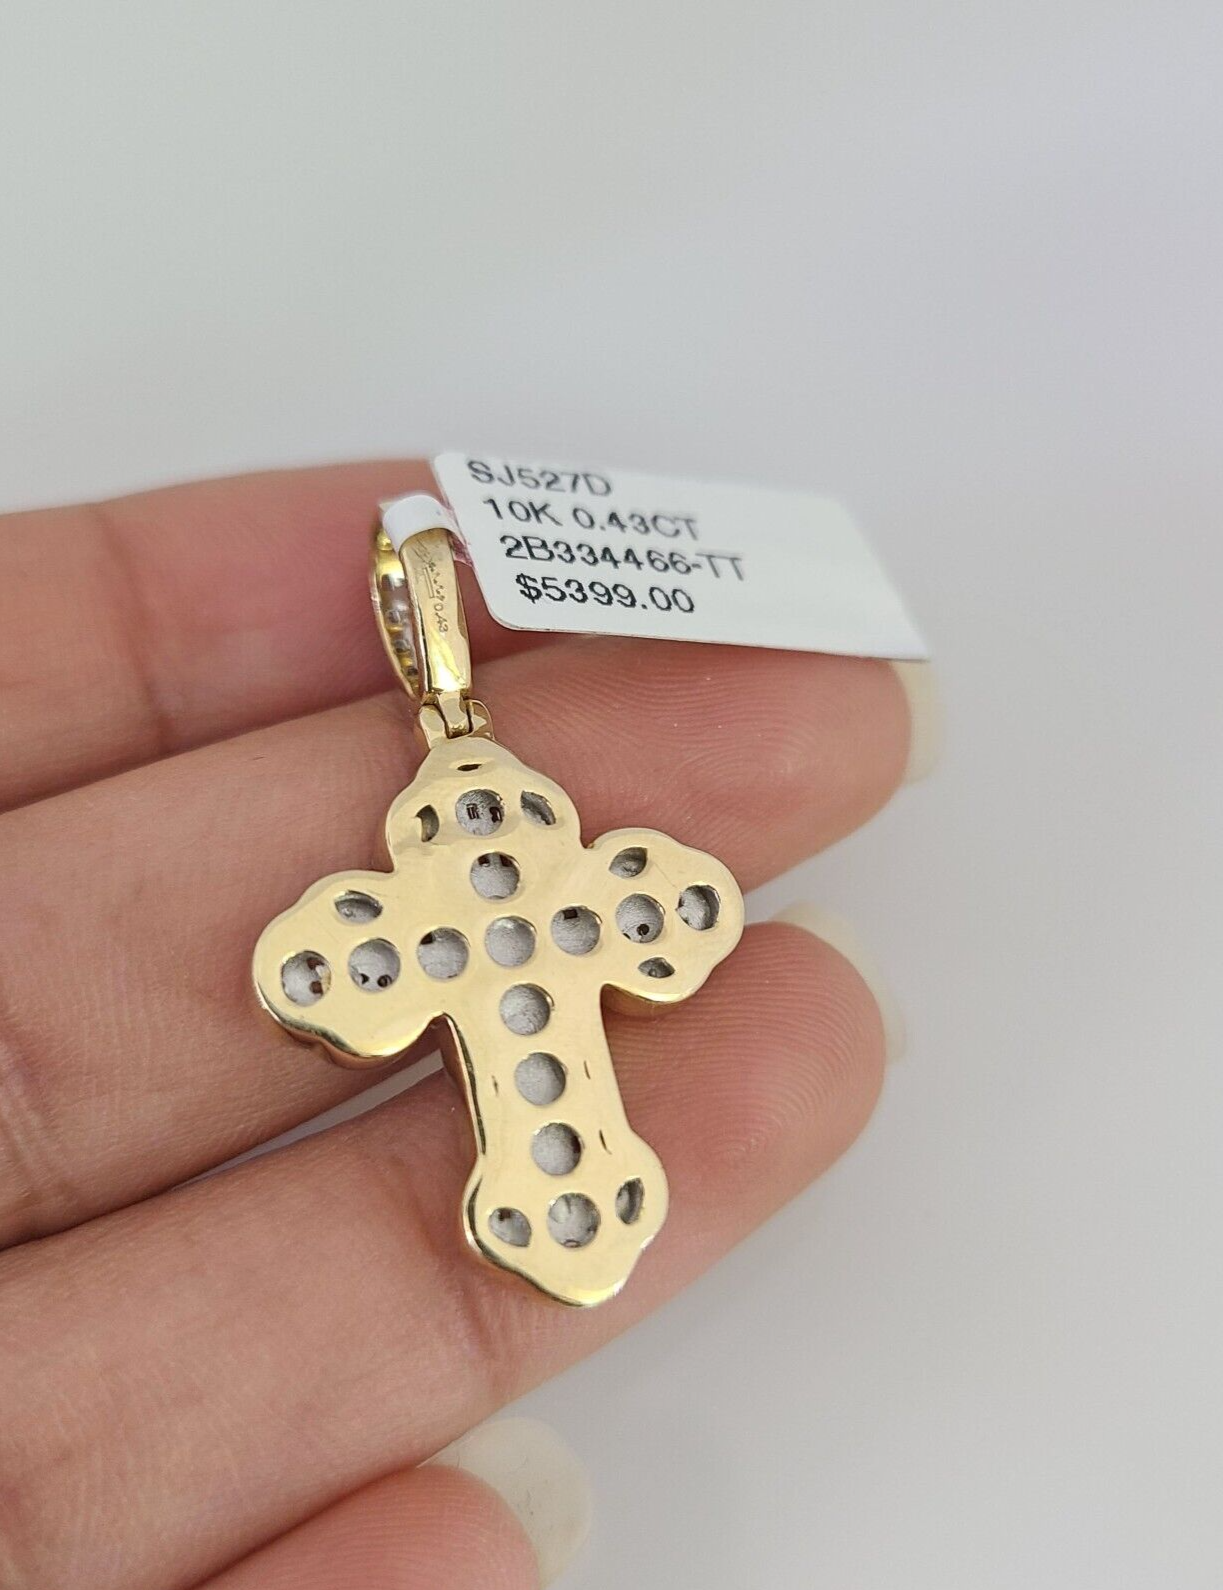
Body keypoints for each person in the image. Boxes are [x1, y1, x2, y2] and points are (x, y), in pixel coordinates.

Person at [0, 460, 923, 1589]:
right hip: (537, 1182)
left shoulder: (542, 890)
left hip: (549, 1179)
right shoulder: (491, 904)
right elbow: (335, 967)